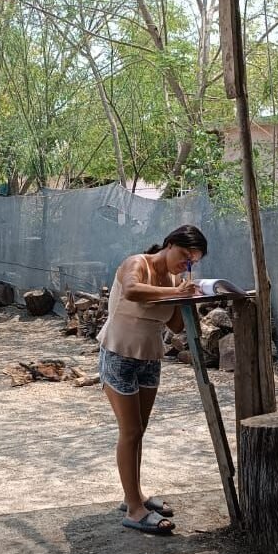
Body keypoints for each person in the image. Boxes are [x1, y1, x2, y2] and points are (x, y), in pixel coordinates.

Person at [97, 225, 208, 535]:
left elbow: (175, 326)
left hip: (149, 358)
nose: (185, 264)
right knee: (130, 431)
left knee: (139, 431)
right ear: (169, 244)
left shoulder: (176, 280)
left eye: (192, 262)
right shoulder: (137, 263)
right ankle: (134, 510)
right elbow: (132, 290)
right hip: (119, 354)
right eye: (184, 255)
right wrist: (176, 292)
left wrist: (191, 298)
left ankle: (135, 495)